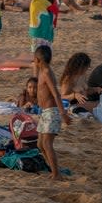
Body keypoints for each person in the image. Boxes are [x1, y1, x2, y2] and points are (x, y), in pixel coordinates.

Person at [33, 45, 71, 180]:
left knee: (47, 143)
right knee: (40, 144)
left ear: (37, 60)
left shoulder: (47, 72)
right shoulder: (42, 72)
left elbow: (56, 94)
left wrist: (63, 113)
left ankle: (56, 174)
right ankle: (53, 169)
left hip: (52, 112)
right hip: (45, 112)